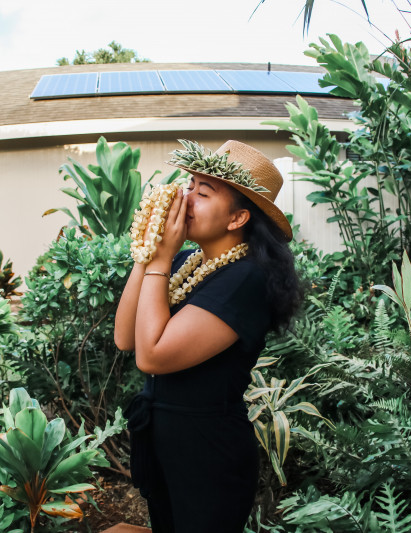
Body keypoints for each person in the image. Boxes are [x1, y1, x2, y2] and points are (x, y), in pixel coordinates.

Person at [114, 140, 302, 533]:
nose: (186, 197)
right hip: (166, 443)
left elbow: (151, 356)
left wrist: (161, 259)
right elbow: (126, 338)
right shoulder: (186, 261)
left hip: (207, 454)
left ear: (237, 219)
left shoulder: (246, 279)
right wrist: (149, 249)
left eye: (203, 192)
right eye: (189, 184)